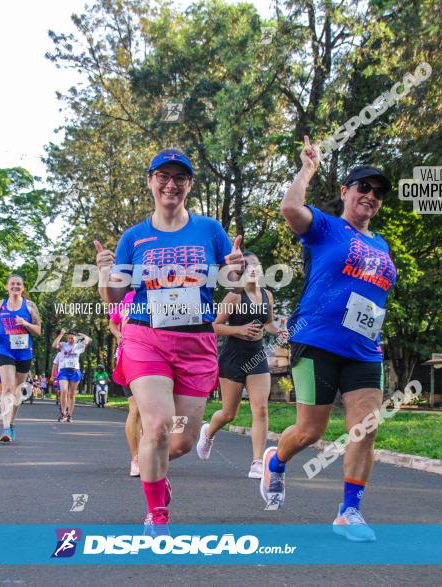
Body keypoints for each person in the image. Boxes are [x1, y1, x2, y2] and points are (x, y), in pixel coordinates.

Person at [95, 148, 243, 535]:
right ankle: (156, 513)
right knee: (157, 427)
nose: (171, 184)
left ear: (189, 185)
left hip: (196, 342)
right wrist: (104, 273)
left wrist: (236, 272)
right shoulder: (135, 237)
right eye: (163, 176)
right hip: (146, 336)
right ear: (150, 181)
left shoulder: (210, 230)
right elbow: (113, 297)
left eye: (179, 178)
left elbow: (233, 285)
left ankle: (157, 477)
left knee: (180, 440)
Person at [260, 138, 397, 543]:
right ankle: (276, 460)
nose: (370, 196)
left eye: (377, 193)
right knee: (310, 432)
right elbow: (289, 209)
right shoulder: (326, 226)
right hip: (316, 342)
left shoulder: (381, 244)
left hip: (363, 349)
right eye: (363, 188)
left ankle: (349, 511)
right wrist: (307, 169)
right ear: (346, 193)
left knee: (366, 428)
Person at [197, 251, 279, 478]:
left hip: (257, 357)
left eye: (257, 265)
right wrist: (239, 330)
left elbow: (269, 323)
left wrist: (279, 330)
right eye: (249, 265)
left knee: (260, 409)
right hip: (233, 357)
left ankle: (256, 462)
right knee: (228, 413)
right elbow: (213, 326)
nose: (254, 269)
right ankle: (208, 433)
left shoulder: (267, 296)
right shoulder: (234, 296)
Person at [0, 275, 41, 443]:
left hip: (24, 351)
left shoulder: (30, 306)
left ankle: (11, 424)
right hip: (5, 349)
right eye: (12, 284)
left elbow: (38, 331)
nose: (15, 286)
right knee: (7, 388)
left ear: (23, 288)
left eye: (19, 284)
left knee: (17, 391)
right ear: (7, 287)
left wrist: (25, 323)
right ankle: (4, 427)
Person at [109, 289, 141, 476]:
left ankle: (148, 455)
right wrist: (118, 335)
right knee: (135, 409)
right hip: (127, 357)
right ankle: (136, 458)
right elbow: (113, 323)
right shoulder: (124, 298)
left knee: (151, 412)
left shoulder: (160, 292)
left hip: (155, 359)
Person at [52, 330, 91, 422]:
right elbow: (54, 345)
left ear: (76, 339)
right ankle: (63, 413)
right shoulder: (63, 345)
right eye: (69, 338)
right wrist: (61, 334)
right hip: (64, 371)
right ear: (67, 338)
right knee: (64, 391)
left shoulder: (79, 346)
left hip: (75, 371)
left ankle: (70, 415)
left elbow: (88, 339)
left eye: (72, 338)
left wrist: (81, 334)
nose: (70, 340)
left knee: (72, 394)